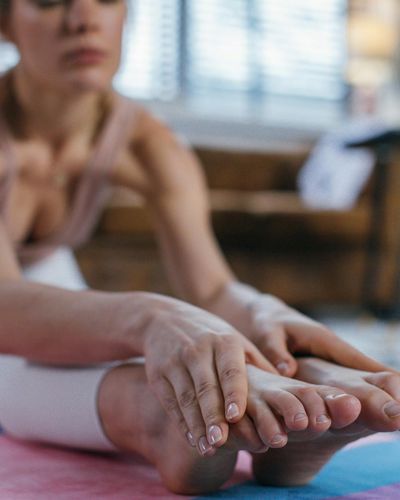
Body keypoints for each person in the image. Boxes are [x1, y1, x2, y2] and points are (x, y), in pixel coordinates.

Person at [0, 0, 400, 494]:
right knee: (9, 372)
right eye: (48, 1)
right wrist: (151, 318)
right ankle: (155, 416)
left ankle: (305, 392)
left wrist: (264, 314)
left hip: (42, 271)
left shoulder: (149, 144)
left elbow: (210, 288)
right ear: (6, 24)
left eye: (106, 0)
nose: (84, 19)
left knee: (182, 340)